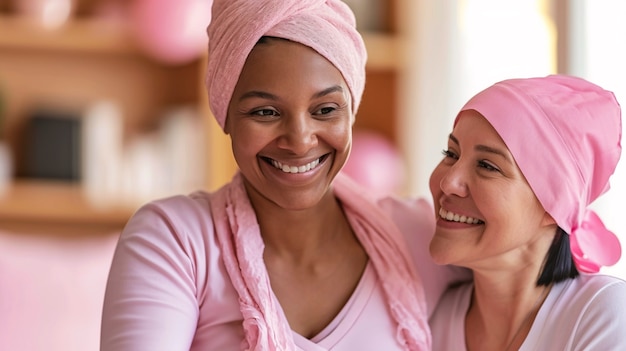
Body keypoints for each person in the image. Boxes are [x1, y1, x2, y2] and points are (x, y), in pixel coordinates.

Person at [100, 0, 467, 350]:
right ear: (224, 115)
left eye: (325, 109)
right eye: (264, 113)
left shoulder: (422, 237)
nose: (300, 140)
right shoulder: (174, 241)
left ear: (351, 112)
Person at [428, 74, 626, 351]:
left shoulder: (602, 315)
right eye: (451, 153)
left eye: (487, 165)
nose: (448, 182)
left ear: (553, 205)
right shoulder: (426, 319)